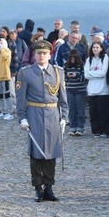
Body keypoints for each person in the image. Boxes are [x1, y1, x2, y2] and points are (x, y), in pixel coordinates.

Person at [16, 40, 67, 201]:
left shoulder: (58, 72)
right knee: (36, 152)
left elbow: (63, 98)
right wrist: (22, 118)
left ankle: (49, 187)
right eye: (39, 53)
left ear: (49, 55)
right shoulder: (25, 73)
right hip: (35, 113)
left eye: (44, 53)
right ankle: (38, 187)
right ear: (34, 55)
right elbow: (20, 99)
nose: (41, 56)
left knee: (51, 152)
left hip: (52, 114)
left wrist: (64, 118)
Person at [84, 41, 109, 137]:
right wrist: (95, 74)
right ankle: (96, 131)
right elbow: (86, 75)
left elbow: (103, 73)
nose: (95, 49)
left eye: (97, 47)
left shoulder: (105, 58)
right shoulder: (89, 60)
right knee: (93, 112)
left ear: (101, 49)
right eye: (93, 47)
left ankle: (105, 131)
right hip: (92, 91)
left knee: (103, 112)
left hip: (103, 90)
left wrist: (92, 73)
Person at [63, 48, 87, 135]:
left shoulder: (82, 66)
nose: (72, 60)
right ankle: (72, 126)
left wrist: (76, 75)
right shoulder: (66, 66)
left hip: (80, 90)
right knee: (72, 109)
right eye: (71, 58)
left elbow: (85, 78)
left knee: (80, 110)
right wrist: (68, 76)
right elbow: (63, 77)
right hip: (70, 89)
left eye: (74, 58)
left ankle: (80, 127)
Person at [0, 37, 14, 119]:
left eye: (1, 43)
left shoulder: (7, 51)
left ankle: (9, 112)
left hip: (5, 76)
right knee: (0, 95)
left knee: (7, 94)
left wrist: (2, 48)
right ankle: (3, 111)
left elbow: (6, 57)